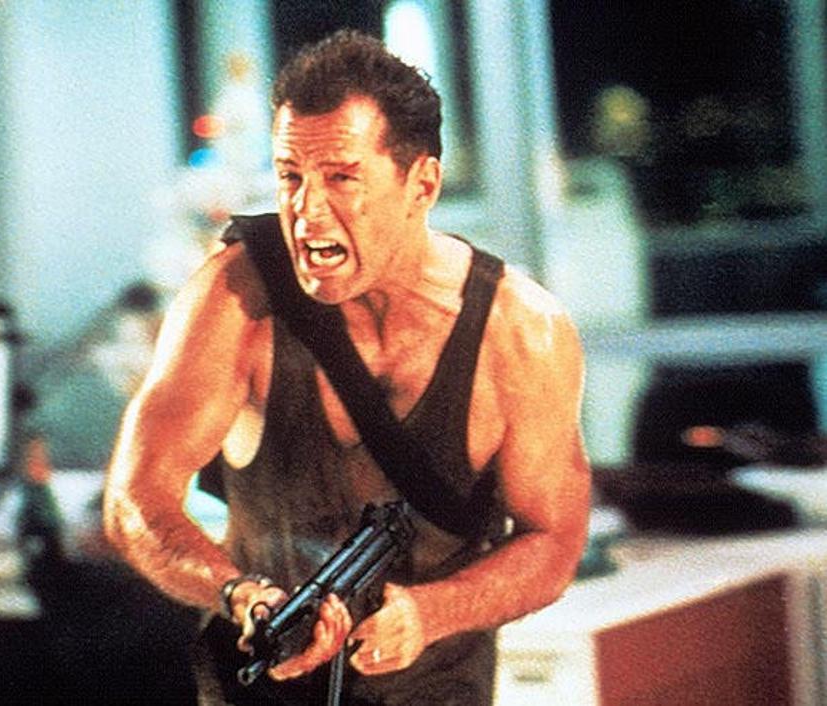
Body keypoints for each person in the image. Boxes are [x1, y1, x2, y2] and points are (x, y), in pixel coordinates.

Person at [103, 29, 590, 705]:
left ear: (421, 184)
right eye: (289, 176)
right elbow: (136, 500)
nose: (306, 211)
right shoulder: (234, 299)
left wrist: (430, 613)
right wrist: (237, 593)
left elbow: (555, 540)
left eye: (340, 177)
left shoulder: (520, 333)